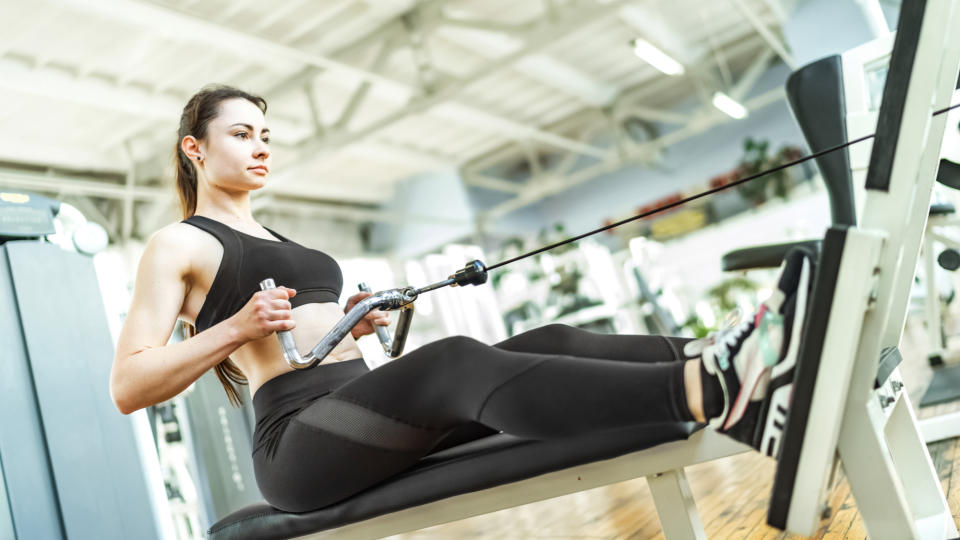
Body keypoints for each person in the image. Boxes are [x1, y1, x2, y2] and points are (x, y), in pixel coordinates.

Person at [109, 85, 814, 513]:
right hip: (298, 442)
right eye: (241, 134)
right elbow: (130, 384)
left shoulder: (269, 231)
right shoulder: (179, 244)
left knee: (552, 340)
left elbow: (315, 335)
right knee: (456, 362)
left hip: (352, 407)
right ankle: (714, 388)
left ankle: (741, 353)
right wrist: (233, 327)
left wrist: (359, 318)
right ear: (195, 150)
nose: (261, 148)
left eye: (266, 135)